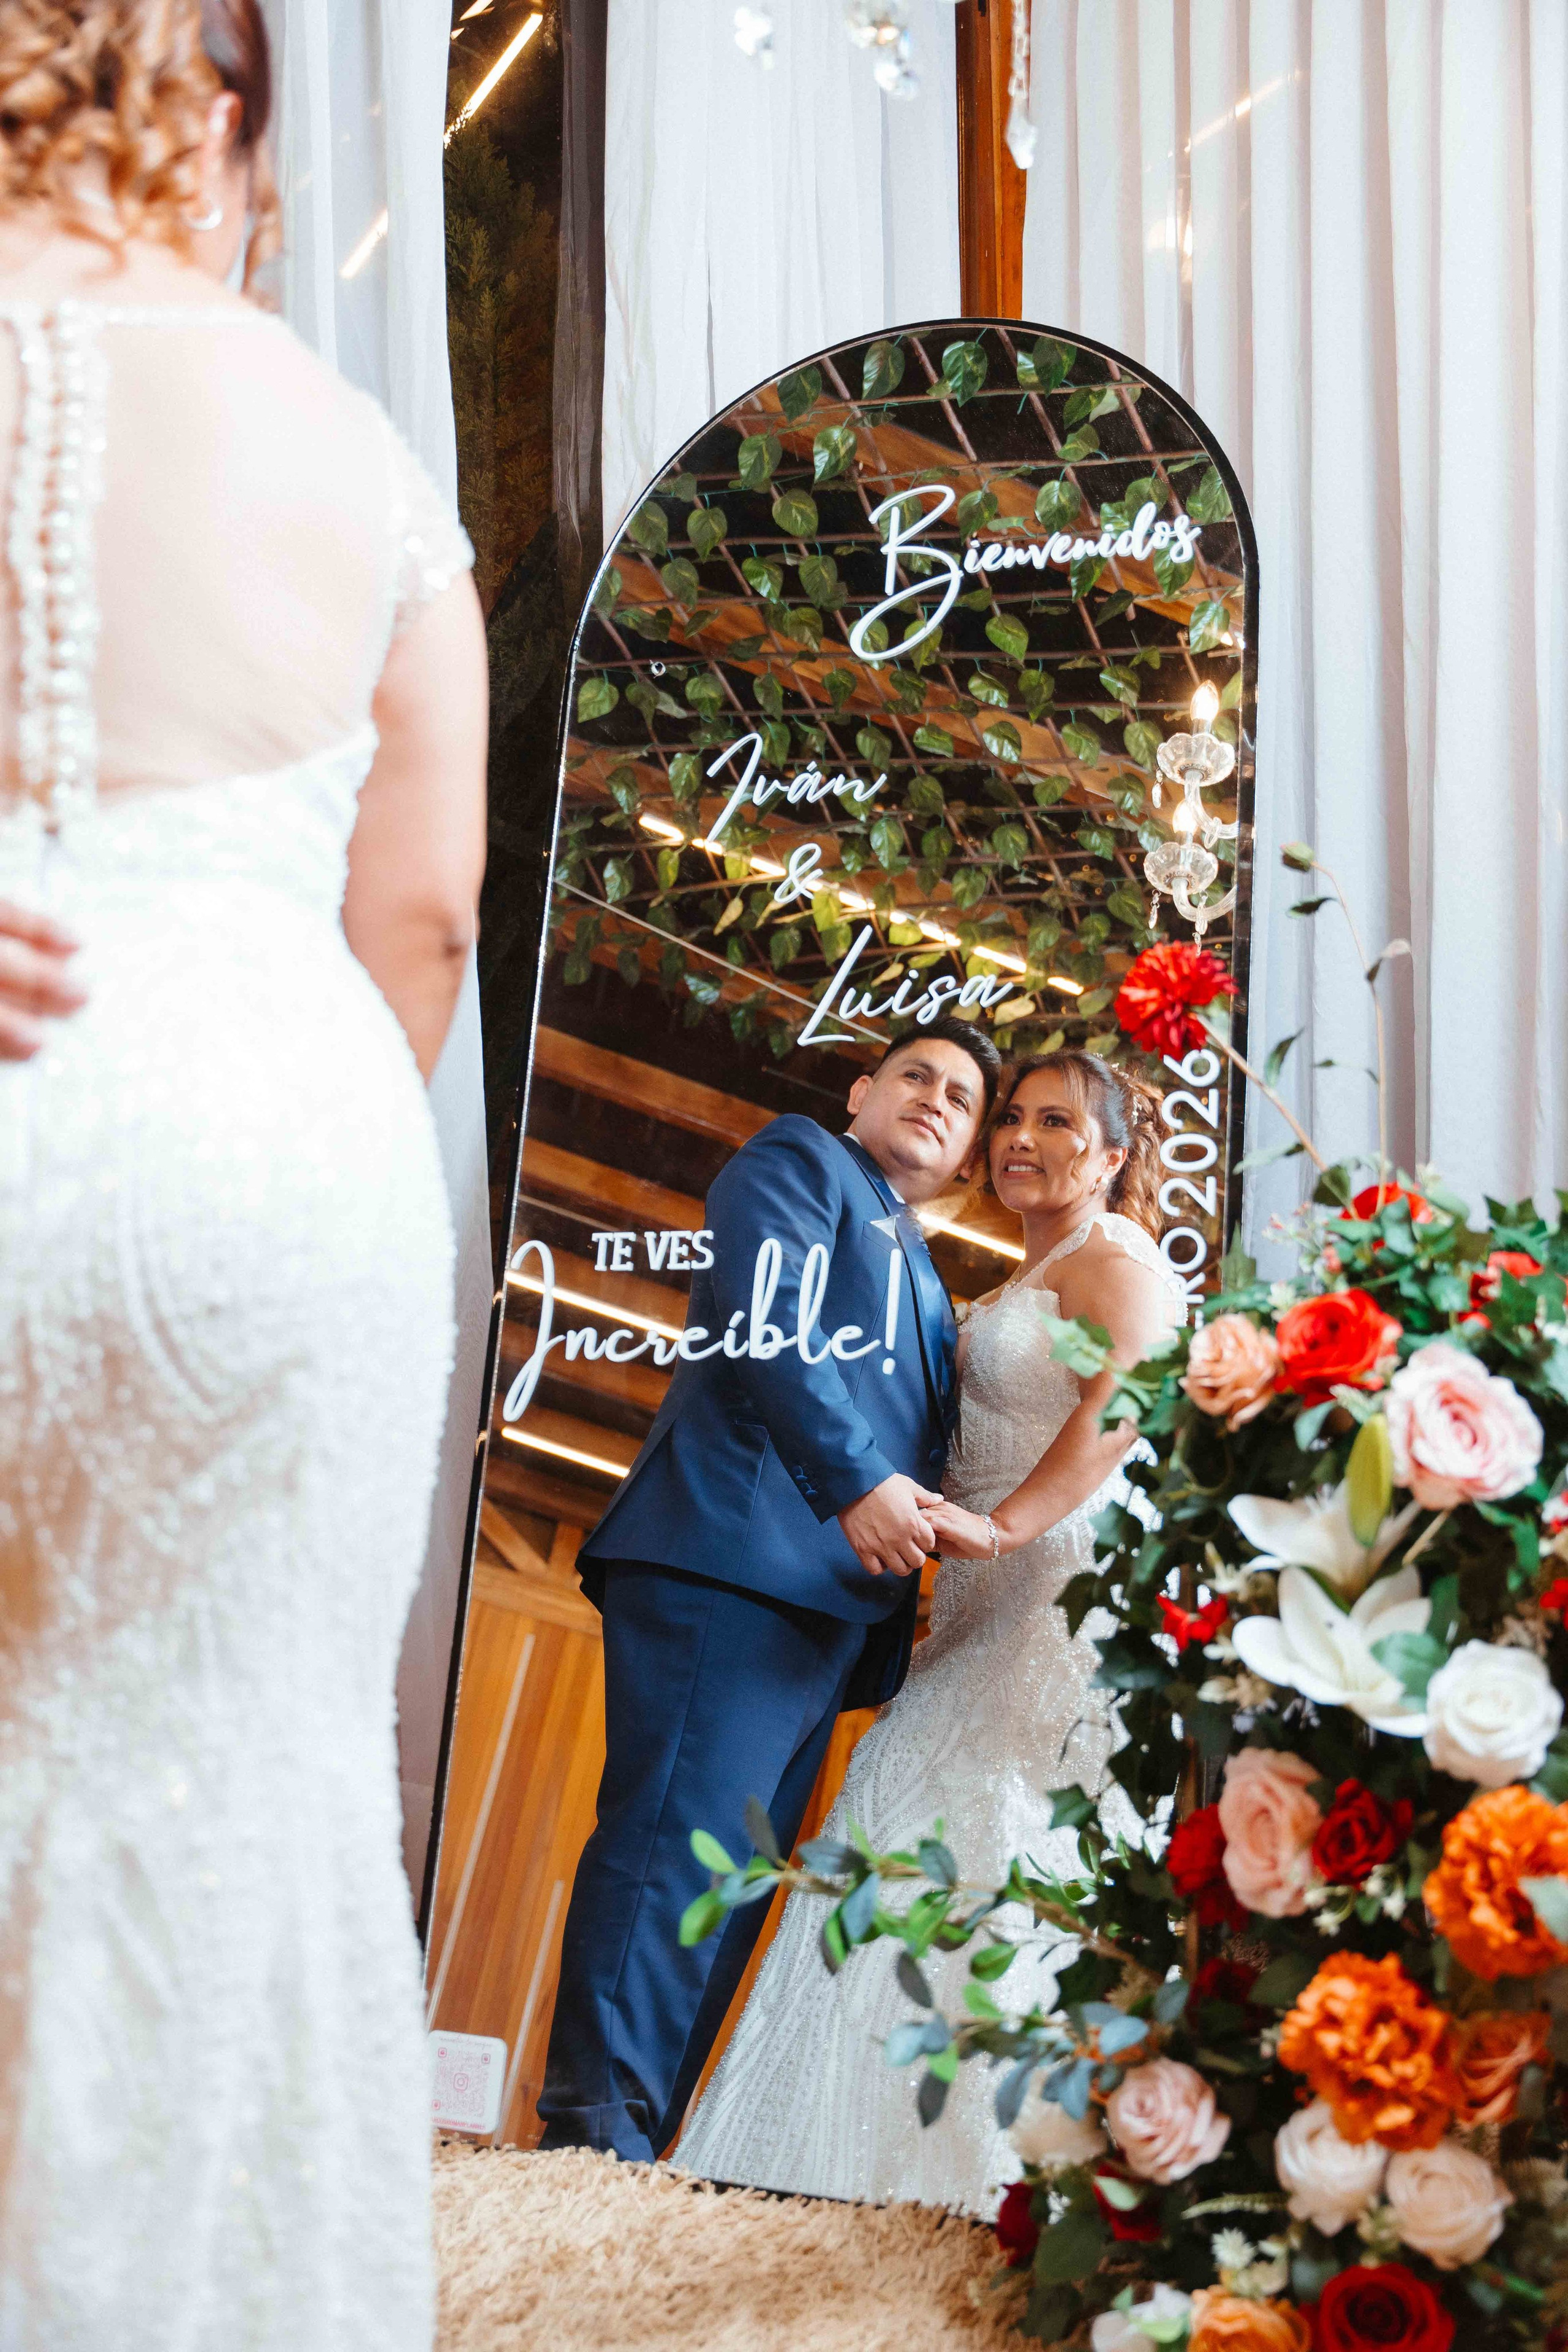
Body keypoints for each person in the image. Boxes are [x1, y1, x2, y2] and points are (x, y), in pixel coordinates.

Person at [0, 7, 487, 2346]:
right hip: (271, 1144)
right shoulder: (366, 453)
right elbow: (425, 925)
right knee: (241, 1827)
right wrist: (260, 1112)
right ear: (209, 125)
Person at [676, 1052, 1185, 2214]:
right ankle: (822, 2171)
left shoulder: (1114, 1261)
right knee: (903, 1831)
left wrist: (1004, 1528)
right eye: (1010, 1117)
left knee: (1005, 1854)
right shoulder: (1015, 1279)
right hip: (970, 1613)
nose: (1019, 1135)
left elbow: (1129, 1401)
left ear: (1110, 1157)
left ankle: (989, 2187)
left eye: (1057, 1121)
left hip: (1051, 1602)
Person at [535, 1018, 1001, 2163]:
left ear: (968, 1156)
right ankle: (593, 2138)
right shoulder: (802, 1162)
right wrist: (858, 1481)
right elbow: (771, 1326)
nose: (939, 1100)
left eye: (963, 1100)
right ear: (860, 1093)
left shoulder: (927, 1274)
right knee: (672, 1854)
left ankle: (640, 2154)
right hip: (734, 1559)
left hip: (827, 1614)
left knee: (733, 1893)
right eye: (917, 1078)